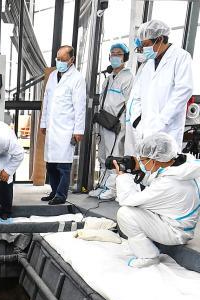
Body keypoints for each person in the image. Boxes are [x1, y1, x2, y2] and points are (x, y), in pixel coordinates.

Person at [115, 131, 200, 268]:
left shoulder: (169, 184)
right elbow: (159, 176)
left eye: (141, 159)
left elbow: (127, 200)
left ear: (153, 160)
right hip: (183, 223)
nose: (139, 162)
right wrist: (138, 170)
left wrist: (122, 176)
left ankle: (148, 256)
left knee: (125, 214)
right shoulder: (187, 163)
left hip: (175, 232)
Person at [129, 19, 193, 154]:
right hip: (144, 129)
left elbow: (183, 92)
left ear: (159, 39)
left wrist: (161, 121)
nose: (143, 48)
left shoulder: (181, 57)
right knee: (145, 170)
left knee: (164, 170)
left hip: (168, 130)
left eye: (146, 44)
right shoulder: (148, 64)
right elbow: (137, 97)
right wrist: (137, 122)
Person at [40, 45, 85, 204]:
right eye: (57, 59)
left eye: (63, 60)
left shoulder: (77, 78)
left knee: (63, 165)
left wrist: (78, 130)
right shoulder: (52, 76)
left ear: (71, 60)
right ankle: (54, 191)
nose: (59, 62)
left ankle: (61, 195)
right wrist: (43, 123)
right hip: (52, 127)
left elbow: (80, 106)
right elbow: (46, 101)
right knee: (51, 164)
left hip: (67, 128)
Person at [90, 42, 133, 200]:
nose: (115, 57)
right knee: (102, 156)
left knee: (114, 157)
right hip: (104, 122)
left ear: (125, 57)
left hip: (117, 124)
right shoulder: (108, 79)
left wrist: (125, 124)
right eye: (112, 54)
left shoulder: (128, 78)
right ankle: (102, 186)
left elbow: (130, 104)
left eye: (118, 54)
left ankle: (112, 189)